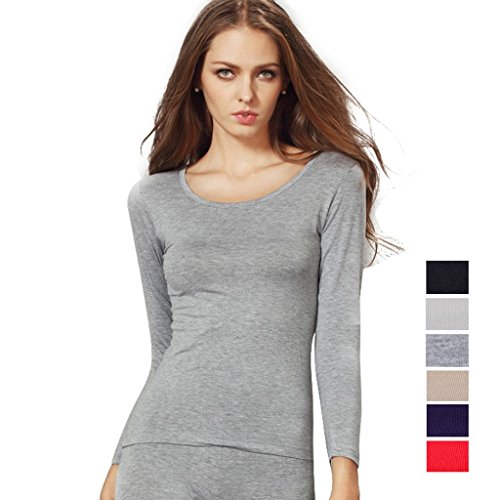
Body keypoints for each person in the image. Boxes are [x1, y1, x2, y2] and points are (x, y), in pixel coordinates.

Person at [100, 1, 403, 499]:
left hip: (275, 462)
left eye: (265, 73)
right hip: (160, 454)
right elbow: (165, 352)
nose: (246, 93)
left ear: (285, 82)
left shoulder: (332, 182)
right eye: (226, 72)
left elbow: (337, 337)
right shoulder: (154, 199)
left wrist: (345, 473)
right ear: (197, 80)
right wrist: (118, 466)